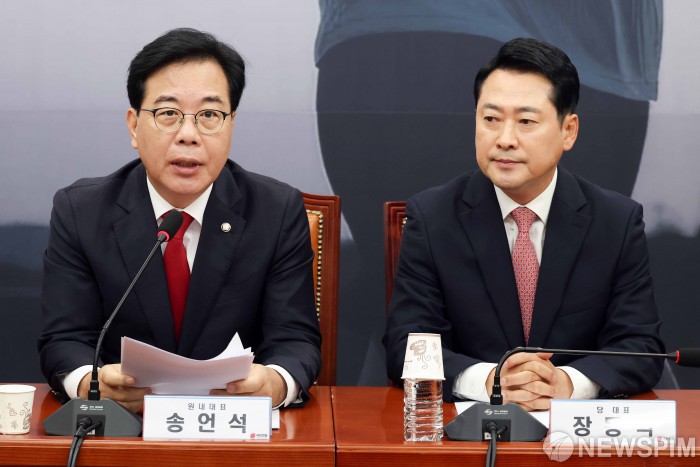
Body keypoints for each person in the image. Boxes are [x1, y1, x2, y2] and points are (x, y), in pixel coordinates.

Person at [38, 28, 321, 412]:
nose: (188, 135)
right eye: (168, 113)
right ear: (134, 125)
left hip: (235, 426)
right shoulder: (81, 211)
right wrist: (93, 385)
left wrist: (273, 384)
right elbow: (64, 339)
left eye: (209, 115)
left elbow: (296, 340)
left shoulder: (276, 211)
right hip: (125, 427)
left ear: (231, 125)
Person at [383, 38, 664, 411]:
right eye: (491, 119)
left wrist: (568, 384)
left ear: (568, 131)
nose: (505, 140)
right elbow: (406, 345)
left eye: (526, 121)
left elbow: (640, 347)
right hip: (469, 428)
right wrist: (489, 381)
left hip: (572, 431)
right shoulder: (434, 217)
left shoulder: (615, 222)